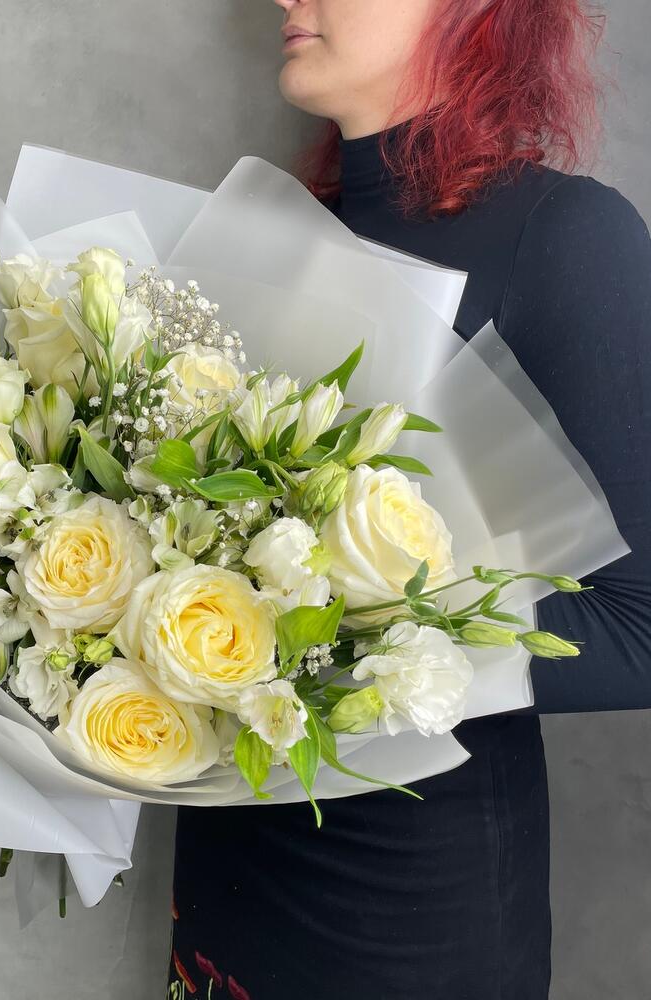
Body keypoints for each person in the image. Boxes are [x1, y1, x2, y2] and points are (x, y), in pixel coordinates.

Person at [167, 2, 651, 997]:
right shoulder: (273, 233)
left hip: (406, 916)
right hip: (226, 866)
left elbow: (643, 626)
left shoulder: (563, 235)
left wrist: (328, 641)